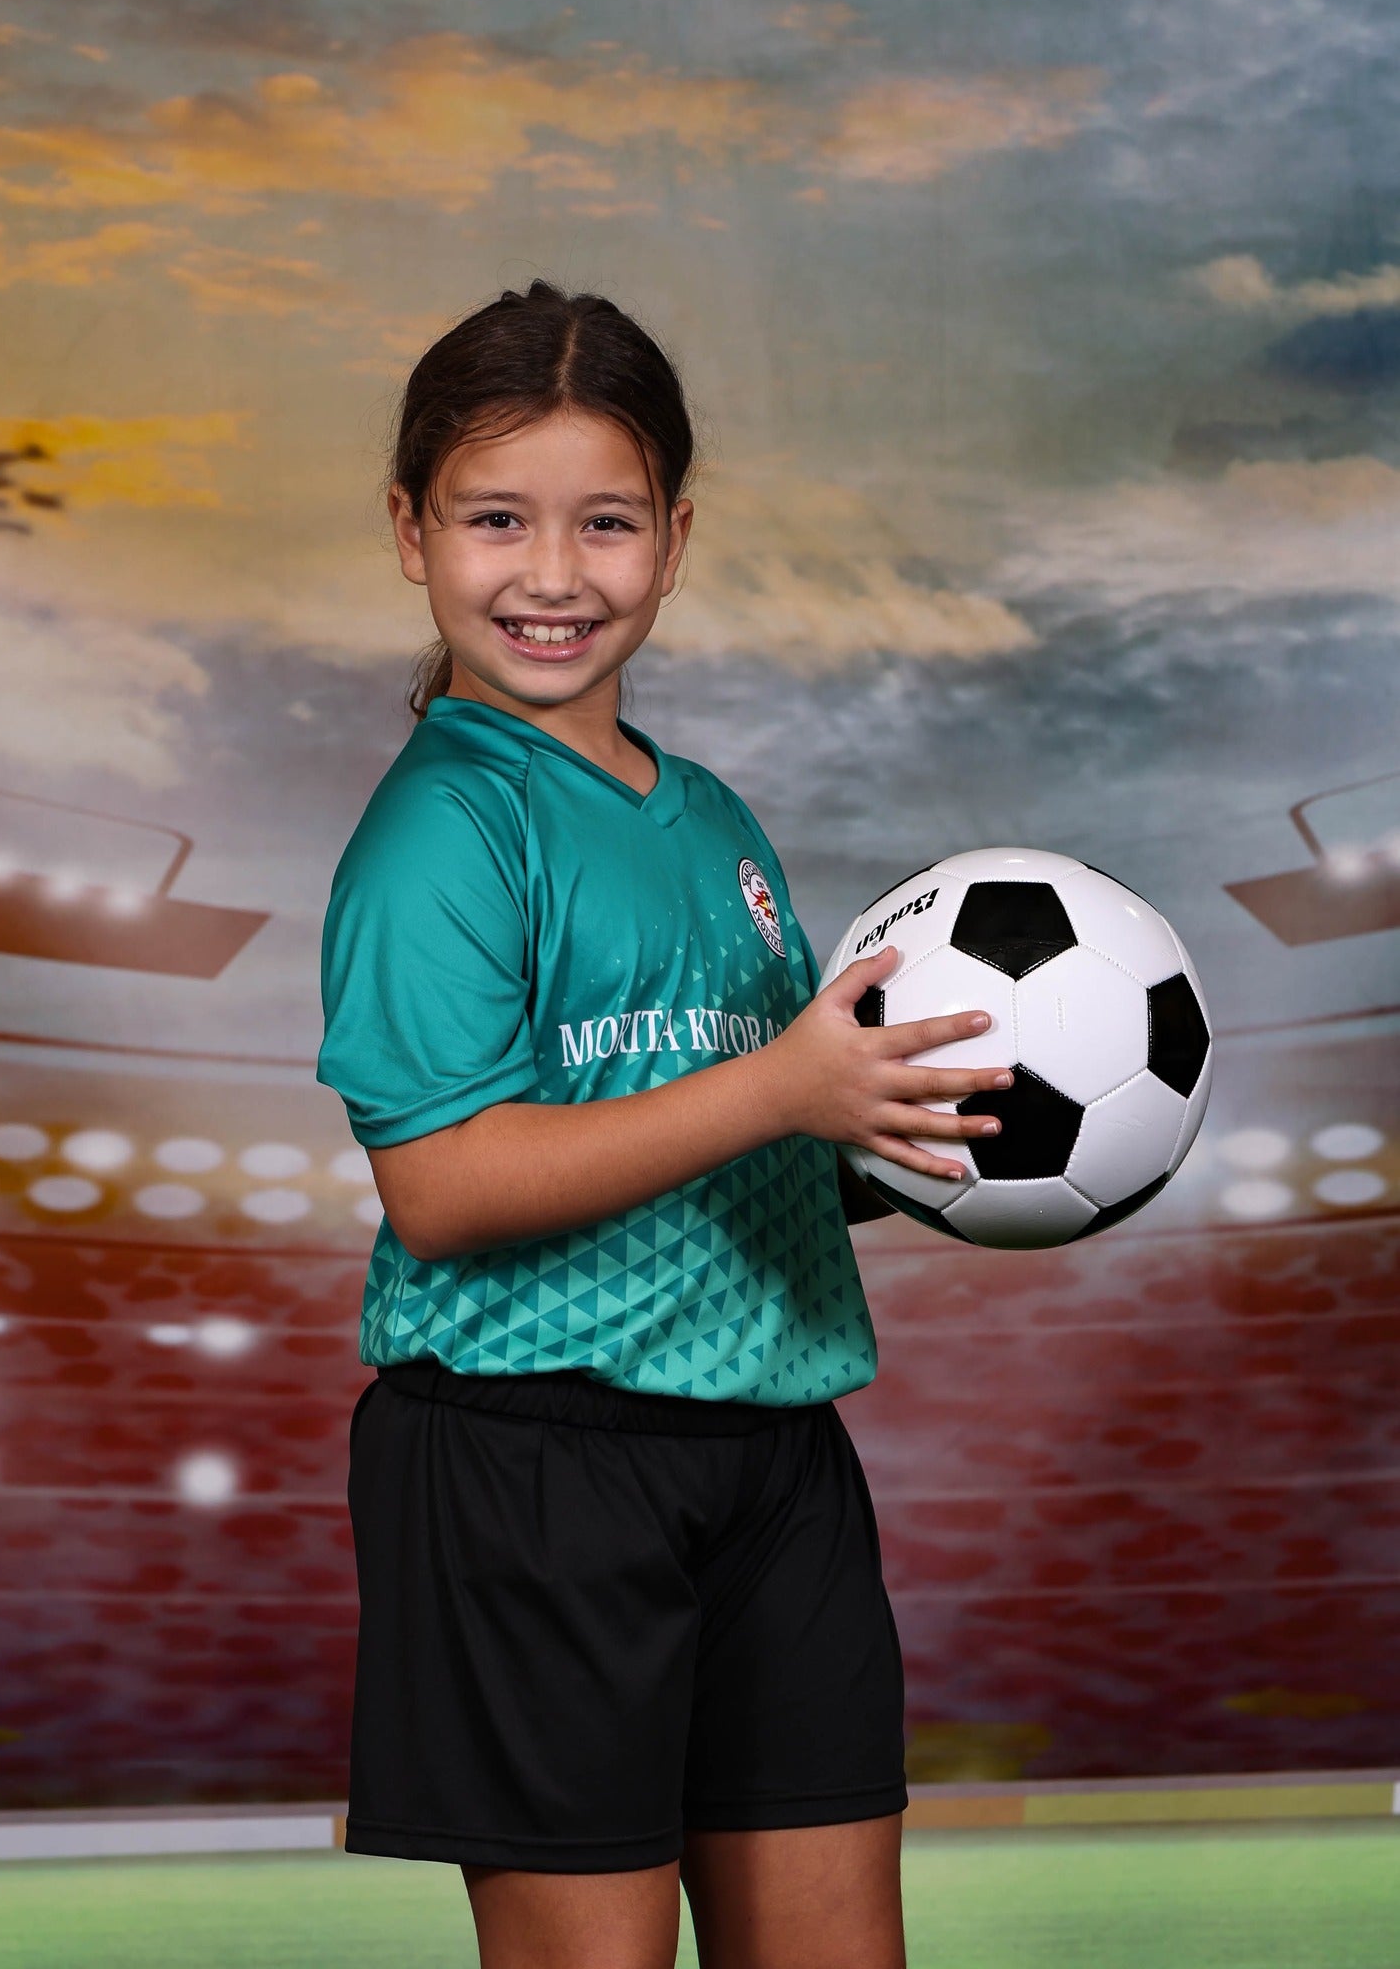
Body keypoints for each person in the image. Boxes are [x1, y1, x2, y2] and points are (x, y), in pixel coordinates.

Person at [315, 281, 1011, 1969]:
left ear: (673, 539)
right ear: (411, 532)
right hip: (533, 1467)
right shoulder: (442, 834)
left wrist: (916, 1134)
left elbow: (730, 1148)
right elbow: (449, 1190)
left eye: (604, 523)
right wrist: (782, 1085)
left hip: (770, 1463)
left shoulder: (712, 821)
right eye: (497, 519)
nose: (552, 575)